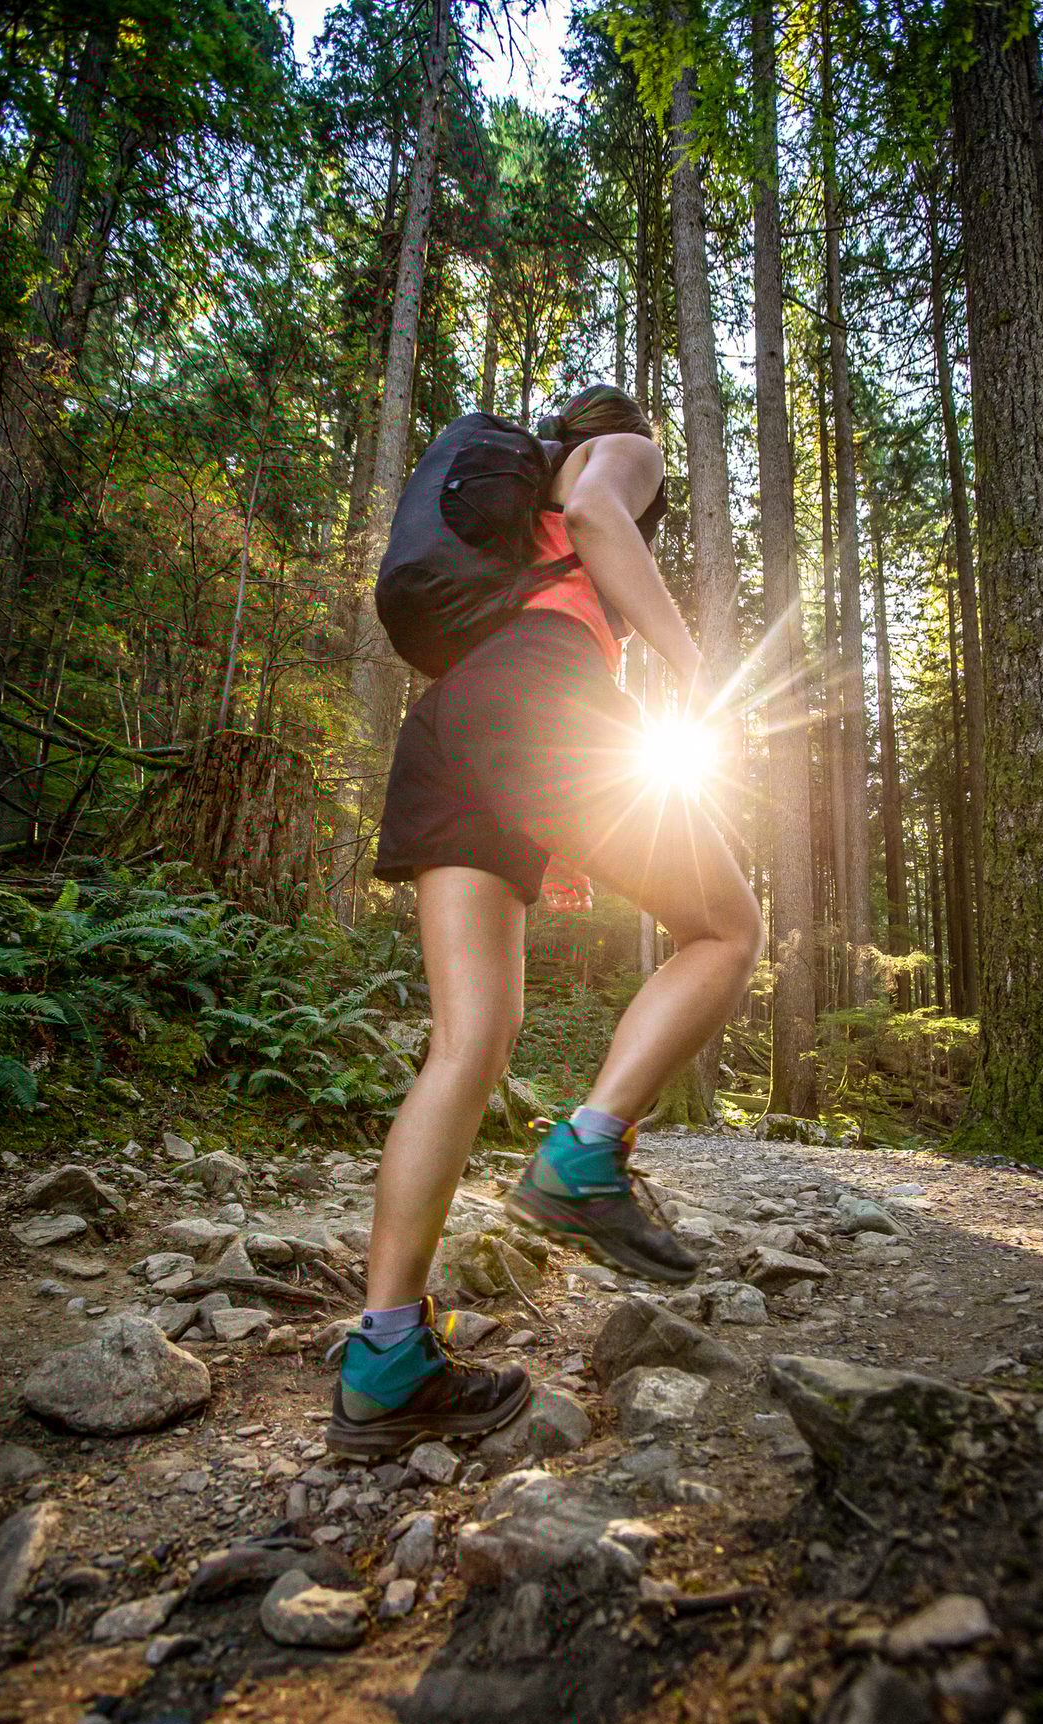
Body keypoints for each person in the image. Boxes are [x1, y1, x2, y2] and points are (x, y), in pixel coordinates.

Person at [326, 384, 764, 1457]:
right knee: (726, 930)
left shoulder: (518, 513)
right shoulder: (619, 451)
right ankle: (582, 1158)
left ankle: (384, 1361)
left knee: (467, 1043)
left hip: (455, 717)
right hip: (538, 696)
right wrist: (694, 661)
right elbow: (609, 522)